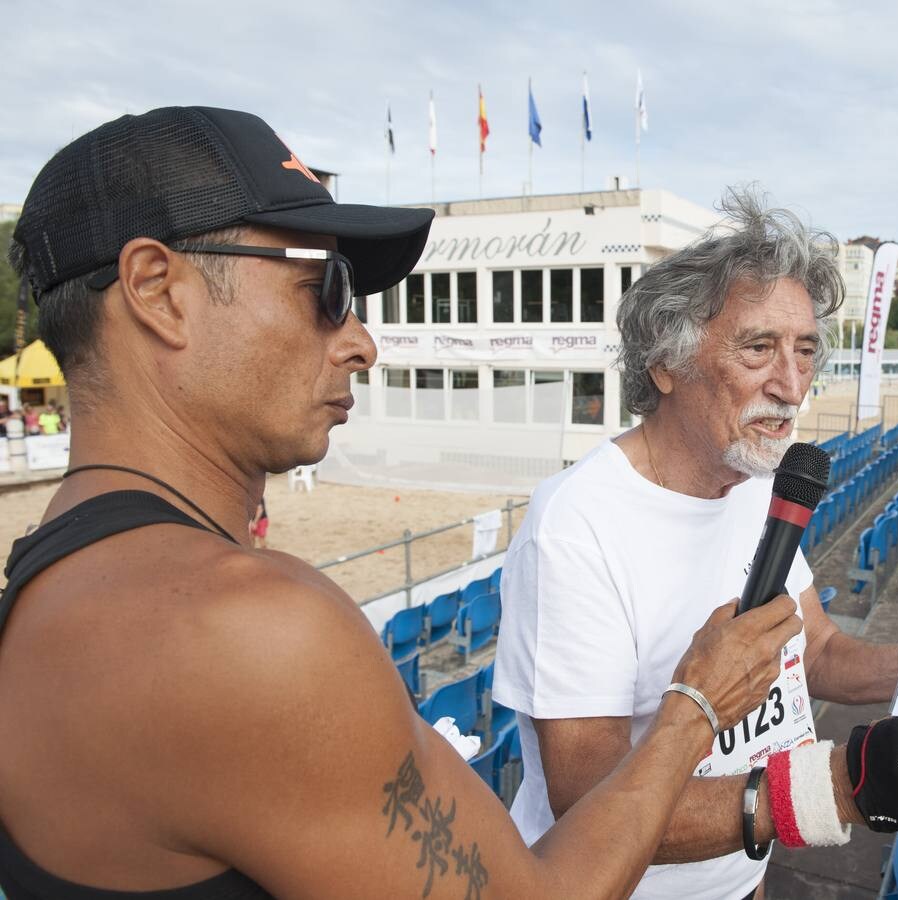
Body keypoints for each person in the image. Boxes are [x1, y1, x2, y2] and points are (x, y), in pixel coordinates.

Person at [0, 106, 804, 900]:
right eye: (325, 288)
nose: (361, 341)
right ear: (157, 289)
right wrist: (697, 704)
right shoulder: (247, 626)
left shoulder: (49, 585)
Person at [494, 190, 898, 900]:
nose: (791, 384)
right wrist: (827, 790)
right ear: (665, 363)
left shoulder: (752, 480)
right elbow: (589, 801)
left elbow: (818, 652)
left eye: (805, 350)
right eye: (758, 348)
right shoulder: (576, 528)